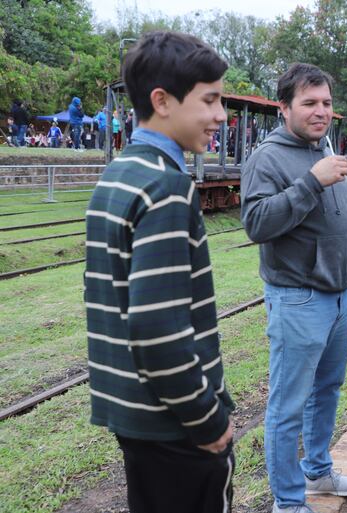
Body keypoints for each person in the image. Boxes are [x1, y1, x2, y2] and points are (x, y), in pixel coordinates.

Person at [84, 31, 235, 513]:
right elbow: (156, 329)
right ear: (162, 101)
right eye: (210, 99)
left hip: (133, 414)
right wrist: (208, 420)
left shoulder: (120, 171)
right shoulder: (168, 186)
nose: (220, 115)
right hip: (176, 424)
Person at [240, 63, 347, 513]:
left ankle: (317, 473)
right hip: (297, 298)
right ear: (284, 107)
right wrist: (311, 182)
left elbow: (345, 225)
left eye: (326, 103)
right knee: (288, 406)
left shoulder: (328, 148)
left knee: (327, 390)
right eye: (309, 103)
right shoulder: (268, 158)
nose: (320, 112)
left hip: (337, 299)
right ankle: (289, 503)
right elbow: (256, 223)